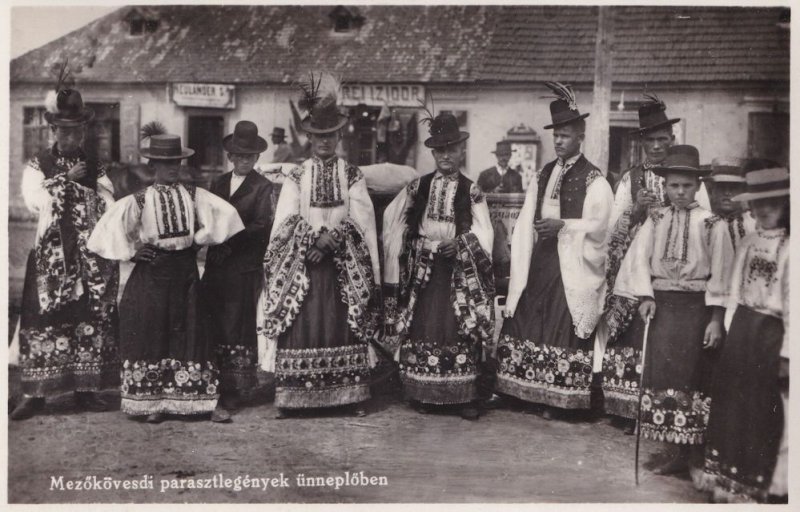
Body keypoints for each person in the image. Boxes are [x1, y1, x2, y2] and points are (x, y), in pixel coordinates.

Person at [87, 134, 244, 423]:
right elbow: (106, 230)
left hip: (184, 271)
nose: (174, 168)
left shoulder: (193, 194)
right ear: (153, 166)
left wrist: (198, 240)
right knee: (152, 332)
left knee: (193, 331)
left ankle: (204, 402)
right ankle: (153, 403)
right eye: (166, 163)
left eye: (177, 162)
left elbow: (227, 216)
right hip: (152, 273)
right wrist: (132, 252)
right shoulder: (140, 199)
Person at [258, 74, 381, 419]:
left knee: (343, 321)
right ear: (309, 137)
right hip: (304, 265)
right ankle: (295, 396)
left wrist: (333, 241)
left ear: (340, 136)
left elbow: (362, 219)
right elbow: (284, 221)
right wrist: (311, 240)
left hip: (342, 265)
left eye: (331, 136)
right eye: (318, 136)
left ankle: (350, 395)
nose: (325, 142)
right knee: (304, 320)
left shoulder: (352, 175)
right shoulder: (297, 176)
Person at [614, 144, 734, 475]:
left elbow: (721, 275)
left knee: (692, 377)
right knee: (663, 377)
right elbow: (639, 260)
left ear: (698, 187)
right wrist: (646, 296)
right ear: (664, 187)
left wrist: (715, 319)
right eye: (673, 186)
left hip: (696, 310)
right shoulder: (656, 219)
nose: (679, 192)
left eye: (686, 186)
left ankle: (692, 453)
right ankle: (672, 449)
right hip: (663, 308)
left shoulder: (712, 224)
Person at [497, 82, 613, 419]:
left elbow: (600, 226)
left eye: (566, 134)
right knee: (528, 312)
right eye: (556, 135)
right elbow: (526, 215)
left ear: (580, 136)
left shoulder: (594, 179)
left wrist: (564, 226)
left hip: (572, 263)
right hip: (543, 258)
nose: (559, 141)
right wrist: (520, 246)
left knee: (563, 317)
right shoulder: (543, 173)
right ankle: (523, 391)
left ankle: (559, 397)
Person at [597, 94, 709, 432]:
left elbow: (703, 221)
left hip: (674, 277)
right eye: (651, 140)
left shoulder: (686, 176)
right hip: (635, 272)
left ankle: (654, 412)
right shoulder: (630, 179)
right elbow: (612, 231)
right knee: (631, 335)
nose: (657, 146)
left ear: (672, 140)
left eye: (663, 139)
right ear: (641, 143)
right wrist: (636, 212)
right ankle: (625, 408)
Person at [11, 84, 119, 420]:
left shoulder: (93, 163)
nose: (72, 137)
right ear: (54, 130)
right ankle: (36, 394)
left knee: (87, 315)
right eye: (65, 131)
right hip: (52, 256)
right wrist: (64, 179)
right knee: (45, 316)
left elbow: (108, 199)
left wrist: (97, 209)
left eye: (77, 130)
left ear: (84, 130)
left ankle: (86, 389)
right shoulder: (40, 162)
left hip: (87, 255)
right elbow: (34, 200)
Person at [383, 111, 495, 420]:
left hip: (459, 272)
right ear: (433, 153)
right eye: (440, 150)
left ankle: (463, 395)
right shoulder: (418, 187)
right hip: (426, 270)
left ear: (462, 151)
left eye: (452, 149)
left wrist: (460, 244)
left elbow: (485, 233)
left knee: (460, 325)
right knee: (424, 324)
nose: (446, 156)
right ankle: (423, 391)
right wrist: (415, 246)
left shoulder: (472, 191)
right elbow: (394, 223)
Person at [695, 166, 789, 503]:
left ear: (787, 205)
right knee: (732, 402)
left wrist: (787, 354)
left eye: (773, 204)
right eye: (759, 204)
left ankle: (755, 485)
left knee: (762, 408)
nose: (764, 211)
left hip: (771, 332)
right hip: (743, 329)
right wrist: (728, 326)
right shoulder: (749, 241)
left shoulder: (791, 247)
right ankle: (726, 481)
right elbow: (734, 290)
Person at [202, 121, 274, 421]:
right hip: (218, 264)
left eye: (250, 156)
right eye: (238, 155)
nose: (244, 160)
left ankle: (235, 387)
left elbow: (262, 226)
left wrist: (231, 236)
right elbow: (206, 215)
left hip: (243, 264)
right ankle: (213, 381)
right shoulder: (217, 184)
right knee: (213, 320)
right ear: (230, 156)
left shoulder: (262, 187)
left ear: (257, 158)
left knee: (237, 323)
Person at [702, 157, 757, 252]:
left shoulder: (753, 226)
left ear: (743, 191)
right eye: (721, 187)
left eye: (734, 187)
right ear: (712, 191)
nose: (727, 193)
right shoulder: (703, 225)